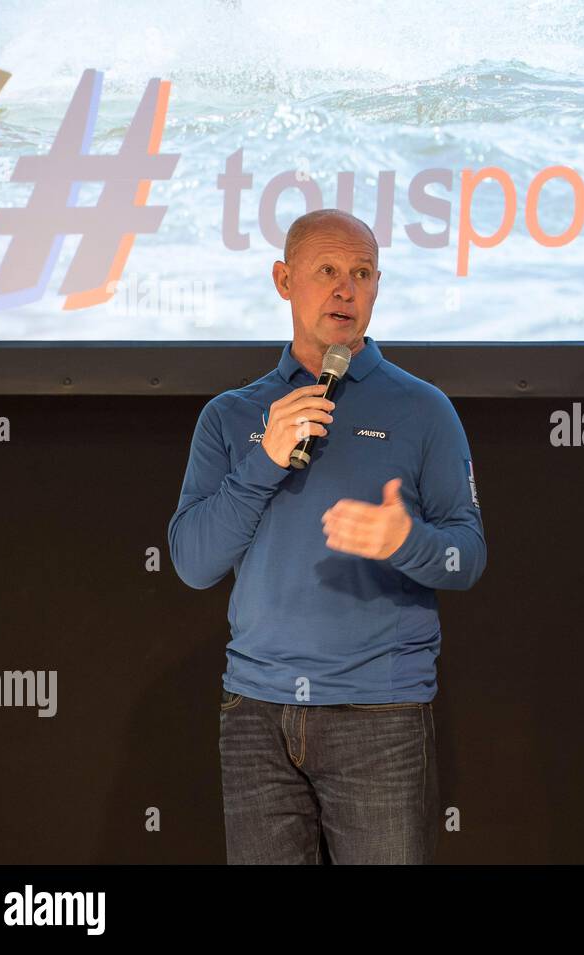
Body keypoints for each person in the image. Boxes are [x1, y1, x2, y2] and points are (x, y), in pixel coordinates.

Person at [168, 208, 486, 863]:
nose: (346, 288)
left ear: (377, 288)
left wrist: (407, 541)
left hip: (381, 716)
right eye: (328, 271)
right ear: (284, 280)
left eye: (362, 273)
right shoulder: (231, 416)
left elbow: (468, 556)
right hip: (256, 715)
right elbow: (195, 563)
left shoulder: (423, 410)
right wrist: (264, 460)